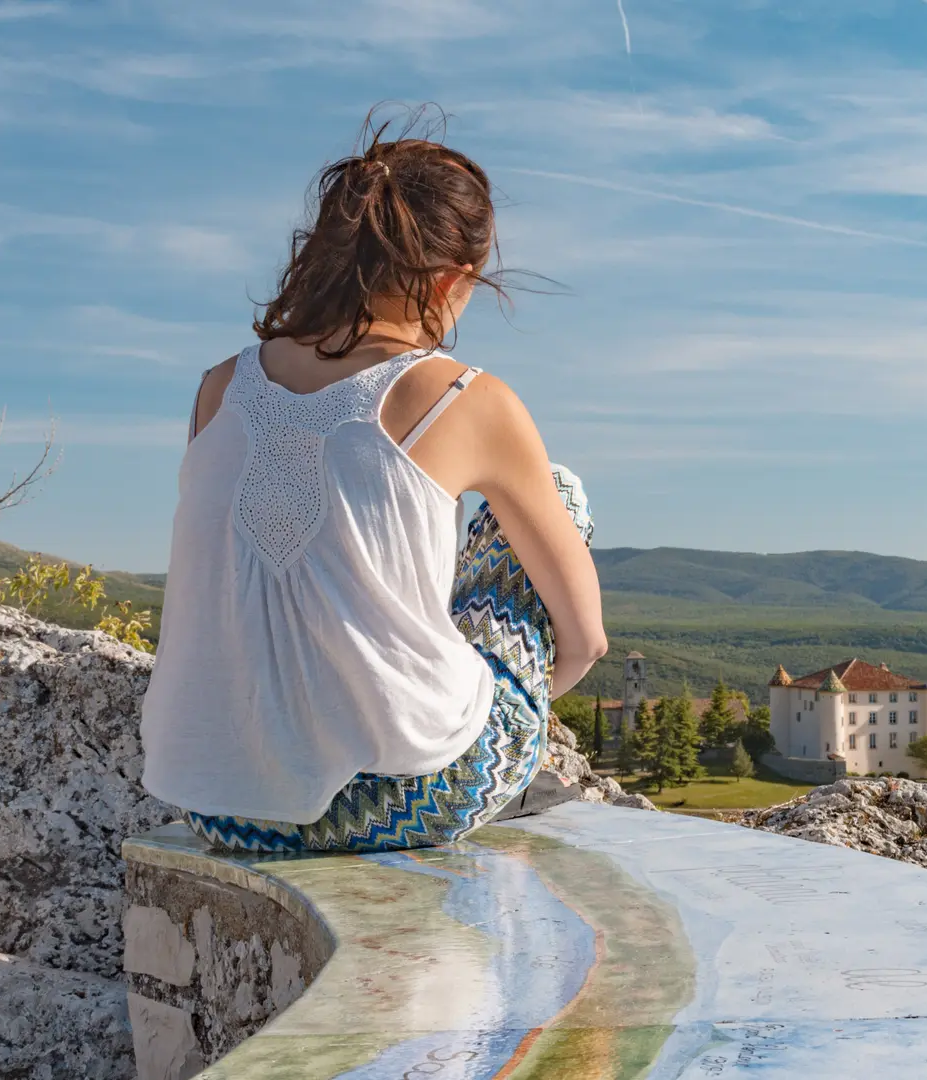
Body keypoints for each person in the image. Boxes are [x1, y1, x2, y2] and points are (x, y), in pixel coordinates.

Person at [139, 111, 607, 854]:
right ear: (453, 279)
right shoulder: (466, 397)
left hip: (220, 805)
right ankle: (492, 763)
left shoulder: (218, 388)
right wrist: (495, 718)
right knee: (558, 488)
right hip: (410, 799)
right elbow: (584, 641)